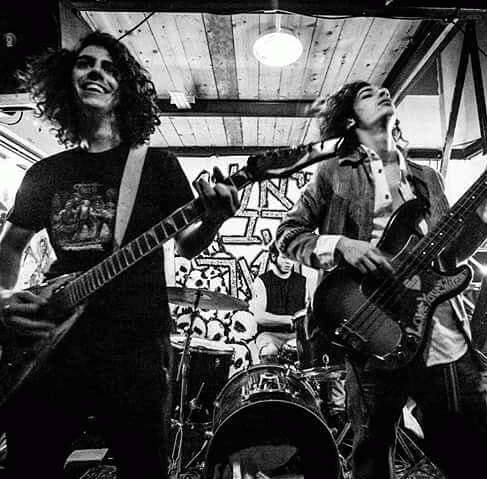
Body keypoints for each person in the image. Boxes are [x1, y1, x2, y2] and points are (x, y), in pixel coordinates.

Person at [0, 31, 239, 479]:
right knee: (28, 463)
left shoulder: (158, 166)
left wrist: (213, 220)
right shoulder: (45, 172)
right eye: (86, 63)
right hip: (53, 344)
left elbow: (186, 244)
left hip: (135, 348)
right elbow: (10, 245)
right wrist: (3, 299)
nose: (97, 72)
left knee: (144, 467)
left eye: (110, 68)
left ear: (124, 89)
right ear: (66, 79)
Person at [275, 80, 487, 478]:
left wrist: (481, 220)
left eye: (383, 91)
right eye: (367, 94)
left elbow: (448, 256)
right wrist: (341, 245)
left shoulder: (427, 179)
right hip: (372, 323)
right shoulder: (333, 173)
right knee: (373, 451)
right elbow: (288, 234)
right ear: (350, 120)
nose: (383, 92)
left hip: (437, 327)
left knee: (470, 443)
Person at [249, 241, 307, 365]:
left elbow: (309, 311)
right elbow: (260, 317)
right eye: (285, 257)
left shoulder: (303, 282)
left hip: (295, 336)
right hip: (269, 334)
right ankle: (270, 377)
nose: (289, 262)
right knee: (269, 351)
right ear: (274, 256)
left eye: (292, 258)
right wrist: (289, 320)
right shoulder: (262, 281)